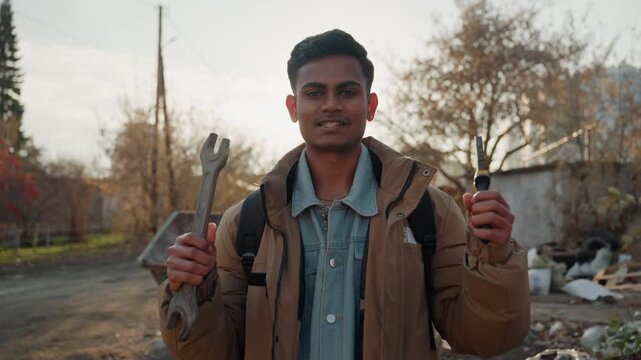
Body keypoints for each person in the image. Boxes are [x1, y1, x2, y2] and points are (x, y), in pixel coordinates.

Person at [158, 29, 529, 360]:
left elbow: (485, 339)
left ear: (370, 106)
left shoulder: (428, 211)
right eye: (315, 92)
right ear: (294, 107)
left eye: (348, 91)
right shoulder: (247, 222)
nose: (331, 104)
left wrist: (492, 258)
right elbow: (212, 352)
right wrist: (192, 289)